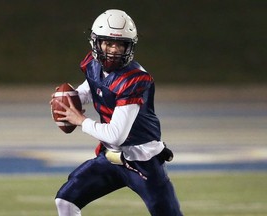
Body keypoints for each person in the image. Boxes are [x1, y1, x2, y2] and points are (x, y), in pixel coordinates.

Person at [51, 9, 183, 216]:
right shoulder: (94, 65)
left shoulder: (135, 79)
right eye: (109, 43)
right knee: (65, 200)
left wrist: (81, 120)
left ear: (129, 46)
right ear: (96, 43)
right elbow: (91, 88)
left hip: (143, 162)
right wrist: (71, 98)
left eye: (121, 44)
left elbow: (117, 135)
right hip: (110, 158)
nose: (114, 50)